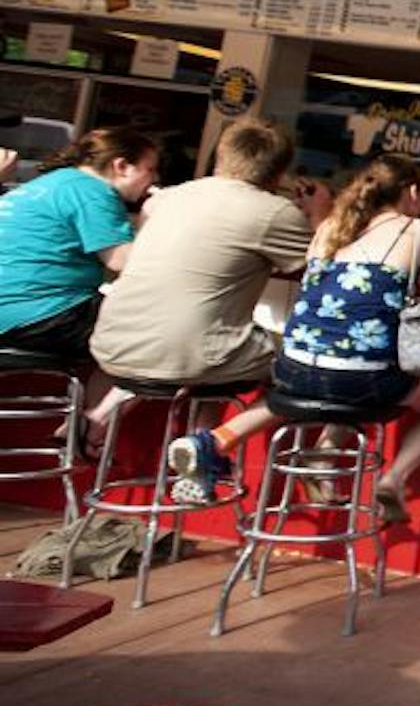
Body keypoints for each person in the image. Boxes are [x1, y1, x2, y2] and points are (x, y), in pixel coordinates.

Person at [92, 119, 330, 501]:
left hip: (111, 344)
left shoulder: (163, 199)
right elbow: (326, 272)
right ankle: (212, 445)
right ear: (280, 171)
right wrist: (319, 214)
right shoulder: (273, 213)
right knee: (304, 370)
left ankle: (108, 425)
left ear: (220, 156)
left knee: (221, 344)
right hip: (192, 354)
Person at [262, 155, 420, 525]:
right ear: (413, 193)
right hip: (361, 379)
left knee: (356, 367)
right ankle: (394, 479)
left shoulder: (330, 226)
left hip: (292, 370)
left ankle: (322, 457)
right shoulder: (416, 230)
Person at [0, 127, 156, 394]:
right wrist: (151, 218)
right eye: (150, 169)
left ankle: (84, 424)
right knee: (156, 331)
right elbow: (122, 261)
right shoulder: (93, 191)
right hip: (44, 314)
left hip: (12, 312)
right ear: (121, 166)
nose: (154, 179)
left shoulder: (49, 184)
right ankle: (93, 424)